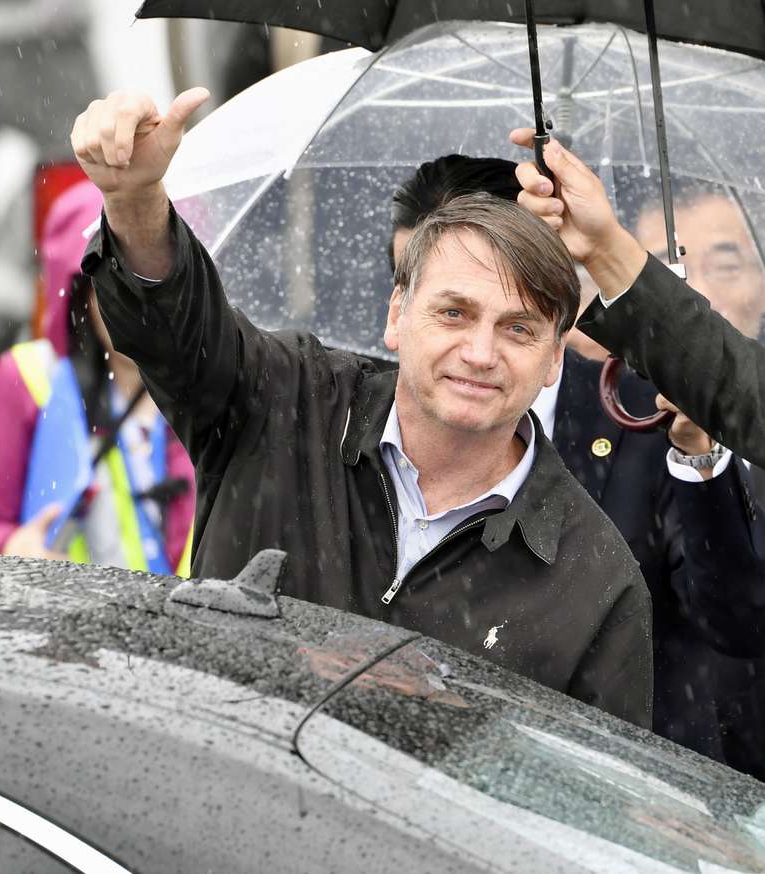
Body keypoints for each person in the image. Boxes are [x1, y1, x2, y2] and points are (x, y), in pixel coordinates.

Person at [69, 89, 653, 726]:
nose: (481, 352)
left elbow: (578, 804)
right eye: (454, 313)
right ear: (396, 315)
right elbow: (172, 329)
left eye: (518, 329)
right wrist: (133, 200)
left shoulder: (594, 578)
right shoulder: (284, 399)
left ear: (554, 359)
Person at [389, 155, 765, 770]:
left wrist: (698, 452)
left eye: (492, 300)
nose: (472, 347)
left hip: (626, 780)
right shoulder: (367, 425)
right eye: (441, 302)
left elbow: (734, 616)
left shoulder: (642, 409)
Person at [509, 128, 765, 470]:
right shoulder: (613, 424)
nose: (699, 294)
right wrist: (602, 250)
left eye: (726, 266)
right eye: (668, 273)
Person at [0, 179, 195, 574]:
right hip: (66, 628)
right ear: (80, 291)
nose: (137, 301)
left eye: (154, 278)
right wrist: (11, 545)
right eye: (115, 281)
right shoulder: (29, 380)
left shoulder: (220, 391)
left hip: (189, 632)